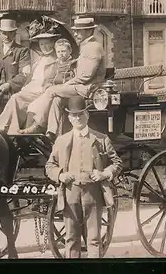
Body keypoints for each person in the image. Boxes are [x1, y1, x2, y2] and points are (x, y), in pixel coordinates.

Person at [45, 96, 122, 258]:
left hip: (93, 195)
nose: (77, 118)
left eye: (81, 114)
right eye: (74, 115)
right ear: (69, 118)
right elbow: (49, 166)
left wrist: (104, 174)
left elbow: (117, 163)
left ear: (87, 115)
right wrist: (60, 175)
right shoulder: (61, 141)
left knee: (94, 239)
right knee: (72, 239)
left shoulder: (101, 139)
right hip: (70, 194)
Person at [18, 17, 107, 141]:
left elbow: (85, 76)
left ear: (88, 32)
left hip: (88, 88)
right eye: (75, 31)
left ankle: (38, 125)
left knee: (51, 91)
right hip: (81, 86)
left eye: (78, 31)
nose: (75, 34)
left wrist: (65, 85)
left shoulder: (93, 47)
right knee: (56, 99)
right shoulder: (87, 46)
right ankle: (52, 132)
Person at [0, 31, 60, 134]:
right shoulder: (39, 60)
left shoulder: (57, 61)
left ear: (52, 44)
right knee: (15, 98)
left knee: (32, 105)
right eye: (42, 44)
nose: (44, 47)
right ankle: (6, 129)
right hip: (31, 88)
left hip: (44, 90)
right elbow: (30, 76)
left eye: (47, 43)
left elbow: (58, 80)